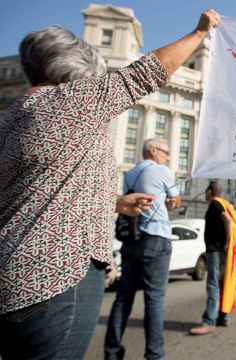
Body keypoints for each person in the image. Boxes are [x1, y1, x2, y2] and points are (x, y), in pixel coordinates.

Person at [0, 8, 220, 360]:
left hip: (12, 276)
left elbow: (40, 192)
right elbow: (144, 75)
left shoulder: (14, 116)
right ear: (77, 71)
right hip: (58, 276)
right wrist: (199, 34)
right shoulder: (72, 102)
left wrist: (115, 202)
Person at [104, 137, 182, 359]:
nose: (168, 156)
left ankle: (111, 352)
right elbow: (175, 200)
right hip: (156, 238)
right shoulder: (161, 171)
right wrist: (171, 201)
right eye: (166, 152)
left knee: (123, 297)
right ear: (154, 151)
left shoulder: (129, 173)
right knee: (154, 298)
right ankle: (154, 355)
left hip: (130, 239)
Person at [190, 181, 236, 335]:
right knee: (221, 283)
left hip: (215, 251)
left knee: (213, 285)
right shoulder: (224, 203)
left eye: (207, 191)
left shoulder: (215, 204)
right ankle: (223, 316)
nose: (205, 194)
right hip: (222, 251)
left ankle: (209, 321)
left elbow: (227, 220)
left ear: (210, 191)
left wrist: (226, 241)